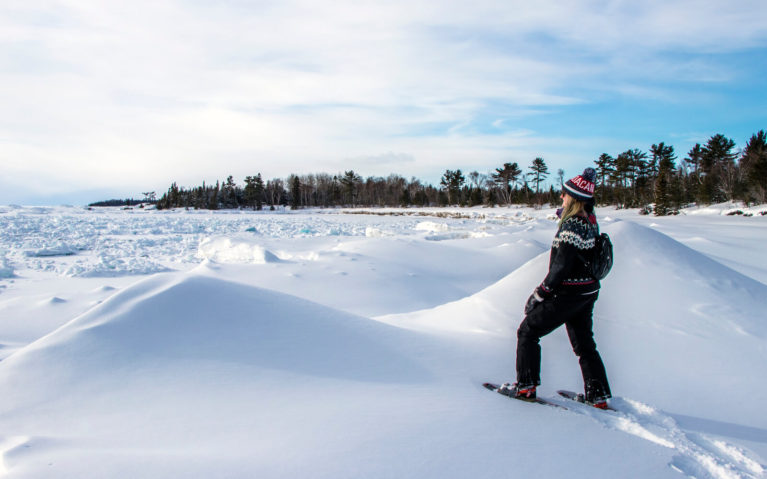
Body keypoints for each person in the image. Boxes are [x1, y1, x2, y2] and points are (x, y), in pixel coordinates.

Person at [499, 167, 612, 408]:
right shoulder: (590, 222)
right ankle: (598, 395)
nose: (561, 196)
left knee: (527, 331)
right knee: (585, 345)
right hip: (588, 291)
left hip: (569, 293)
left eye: (564, 193)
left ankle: (526, 388)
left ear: (573, 197)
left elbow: (561, 267)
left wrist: (540, 294)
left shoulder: (572, 225)